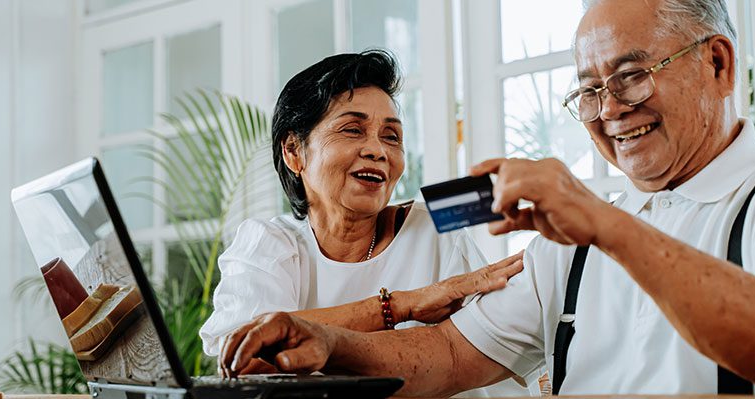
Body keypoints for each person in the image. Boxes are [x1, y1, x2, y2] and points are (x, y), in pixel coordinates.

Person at [215, 0, 755, 396]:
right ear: (294, 153)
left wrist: (603, 224)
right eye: (590, 91)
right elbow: (446, 356)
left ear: (717, 64)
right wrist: (328, 342)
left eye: (632, 75)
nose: (610, 109)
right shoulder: (573, 244)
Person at [198, 50, 527, 397]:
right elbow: (247, 360)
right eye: (353, 130)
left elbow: (493, 353)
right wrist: (400, 305)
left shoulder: (432, 233)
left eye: (391, 136)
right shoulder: (268, 243)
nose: (377, 150)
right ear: (294, 151)